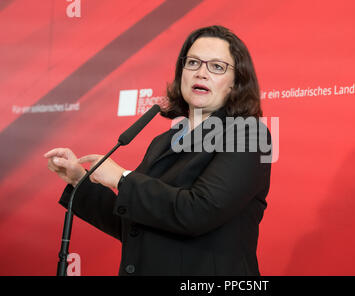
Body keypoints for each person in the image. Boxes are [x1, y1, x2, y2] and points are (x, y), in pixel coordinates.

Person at [44, 25, 272, 276]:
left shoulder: (249, 134)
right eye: (193, 63)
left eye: (217, 67)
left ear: (235, 83)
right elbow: (137, 223)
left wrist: (122, 179)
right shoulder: (164, 141)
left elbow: (198, 211)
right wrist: (80, 180)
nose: (201, 73)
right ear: (181, 72)